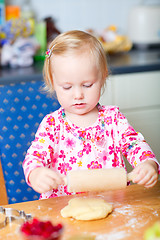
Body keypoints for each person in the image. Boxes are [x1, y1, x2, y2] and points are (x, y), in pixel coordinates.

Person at [23, 30, 159, 199]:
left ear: (102, 77)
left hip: (114, 206)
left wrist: (148, 164)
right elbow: (35, 155)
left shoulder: (113, 119)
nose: (78, 94)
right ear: (53, 83)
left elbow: (135, 145)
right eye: (67, 87)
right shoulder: (52, 125)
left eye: (87, 85)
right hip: (62, 208)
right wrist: (35, 173)